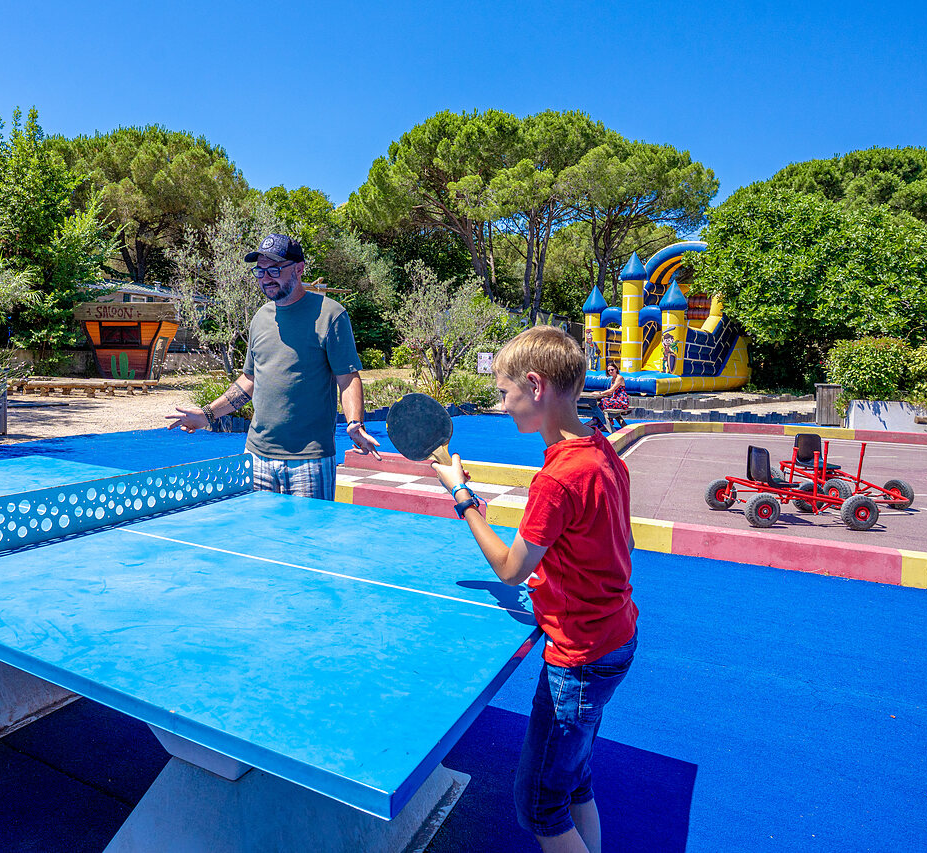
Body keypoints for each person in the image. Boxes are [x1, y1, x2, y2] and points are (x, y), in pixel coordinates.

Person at [431, 326, 637, 853]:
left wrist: (461, 495)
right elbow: (614, 542)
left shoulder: (557, 479)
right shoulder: (603, 454)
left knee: (539, 806)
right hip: (615, 636)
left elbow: (509, 569)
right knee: (575, 780)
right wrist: (560, 581)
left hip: (581, 655)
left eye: (504, 393)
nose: (502, 406)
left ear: (535, 385)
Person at [166, 233, 379, 499]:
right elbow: (250, 381)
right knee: (258, 537)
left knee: (307, 539)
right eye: (260, 270)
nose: (266, 277)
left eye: (275, 269)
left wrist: (355, 424)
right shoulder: (260, 317)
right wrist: (208, 415)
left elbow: (347, 377)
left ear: (299, 269)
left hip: (309, 460)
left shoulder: (331, 314)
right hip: (256, 456)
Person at [591, 360, 629, 429]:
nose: (610, 371)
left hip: (621, 401)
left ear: (616, 369)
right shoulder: (612, 379)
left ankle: (598, 421)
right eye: (609, 370)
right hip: (615, 400)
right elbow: (610, 393)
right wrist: (598, 392)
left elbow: (611, 390)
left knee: (604, 402)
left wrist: (600, 393)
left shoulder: (619, 378)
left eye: (612, 369)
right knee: (602, 403)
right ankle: (601, 422)